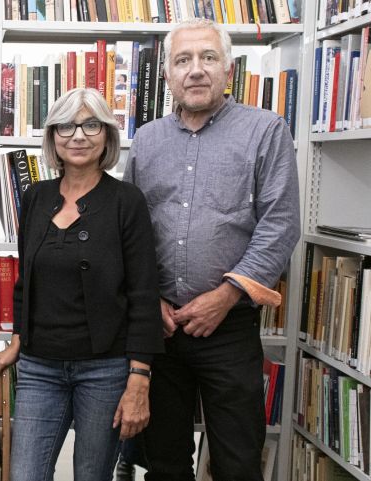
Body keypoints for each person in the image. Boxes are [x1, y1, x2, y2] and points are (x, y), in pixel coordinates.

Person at [123, 19, 300, 481]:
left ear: (228, 69)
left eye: (208, 58)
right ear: (168, 76)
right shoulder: (147, 140)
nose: (196, 70)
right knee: (163, 463)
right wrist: (151, 301)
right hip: (160, 331)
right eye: (183, 60)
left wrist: (226, 295)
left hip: (229, 324)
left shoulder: (266, 130)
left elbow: (280, 225)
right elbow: (131, 232)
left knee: (238, 460)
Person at [0, 88, 163, 481]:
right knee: (25, 474)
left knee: (91, 475)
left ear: (107, 136)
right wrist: (17, 340)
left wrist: (139, 376)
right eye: (66, 125)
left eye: (91, 124)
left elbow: (144, 293)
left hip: (105, 369)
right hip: (39, 366)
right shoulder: (36, 196)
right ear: (52, 136)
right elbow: (27, 278)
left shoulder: (126, 201)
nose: (78, 135)